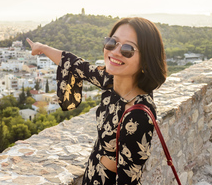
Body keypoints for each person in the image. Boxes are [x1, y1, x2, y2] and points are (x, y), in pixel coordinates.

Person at [27, 17, 167, 185]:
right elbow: (76, 65)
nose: (115, 51)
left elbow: (128, 181)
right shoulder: (111, 81)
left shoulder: (138, 116)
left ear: (146, 58)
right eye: (112, 42)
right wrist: (42, 47)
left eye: (128, 49)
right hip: (91, 175)